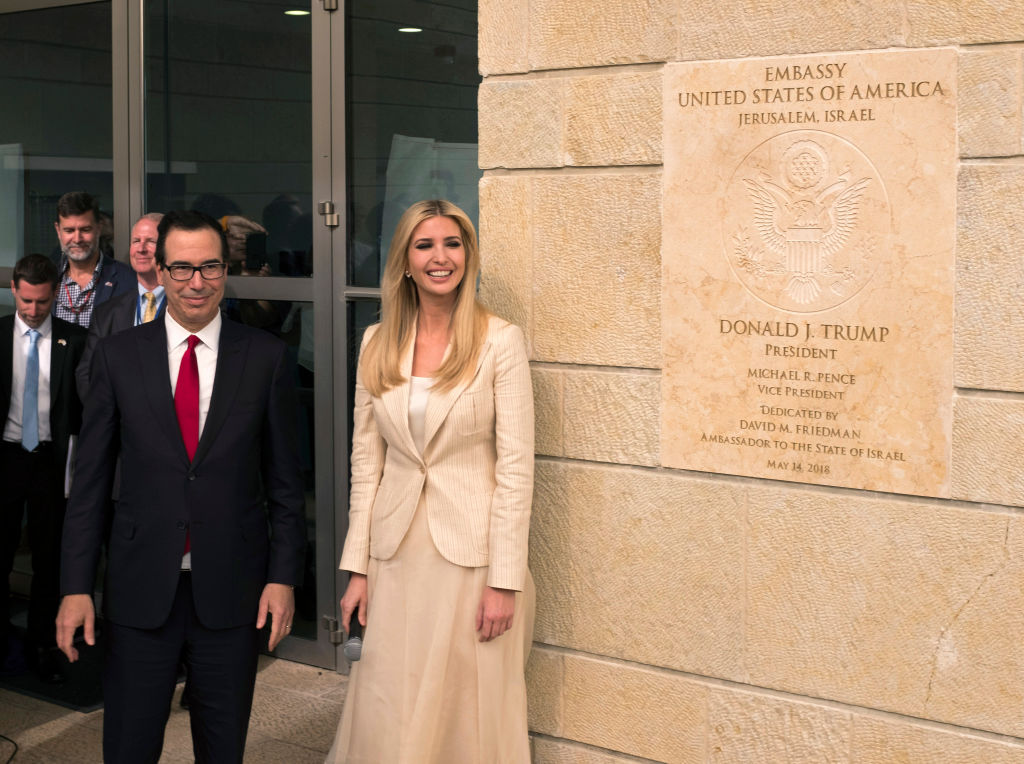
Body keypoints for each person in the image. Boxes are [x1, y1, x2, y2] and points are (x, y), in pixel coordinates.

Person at [56, 210, 306, 764]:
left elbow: (287, 485)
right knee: (128, 745)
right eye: (184, 268)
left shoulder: (265, 358)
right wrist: (75, 587)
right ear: (161, 270)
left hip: (233, 593)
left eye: (211, 267)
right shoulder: (120, 356)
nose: (198, 282)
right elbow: (90, 481)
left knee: (222, 750)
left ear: (227, 269)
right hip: (140, 589)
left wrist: (283, 578)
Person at [326, 200, 536, 763]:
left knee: (464, 711)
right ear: (404, 261)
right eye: (425, 245)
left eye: (452, 244)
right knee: (388, 699)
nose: (440, 257)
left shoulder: (500, 342)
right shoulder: (375, 342)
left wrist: (504, 580)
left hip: (471, 562)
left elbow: (517, 470)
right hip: (394, 558)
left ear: (467, 255)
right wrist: (358, 569)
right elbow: (366, 466)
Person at [0, 255, 87, 683]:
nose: (33, 311)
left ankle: (42, 644)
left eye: (41, 302)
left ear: (55, 293)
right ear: (14, 288)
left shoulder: (77, 340)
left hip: (53, 462)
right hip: (7, 455)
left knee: (50, 558)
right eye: (26, 300)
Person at [76, 213, 166, 399]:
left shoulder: (185, 307)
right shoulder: (107, 313)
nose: (141, 249)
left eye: (150, 241)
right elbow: (86, 374)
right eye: (136, 241)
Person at [52, 191, 135, 328]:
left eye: (85, 230)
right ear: (58, 230)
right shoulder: (48, 278)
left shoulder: (127, 280)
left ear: (99, 228)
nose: (77, 239)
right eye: (69, 231)